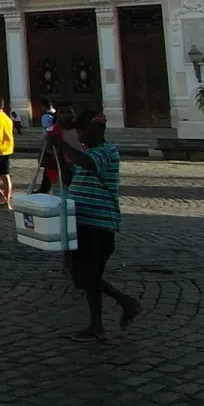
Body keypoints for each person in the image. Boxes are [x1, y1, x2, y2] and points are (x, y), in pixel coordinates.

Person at [55, 116, 141, 340]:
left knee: (89, 275)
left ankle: (125, 303)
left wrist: (62, 144)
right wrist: (55, 158)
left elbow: (89, 164)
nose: (79, 137)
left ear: (95, 129)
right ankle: (97, 326)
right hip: (80, 222)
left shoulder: (106, 152)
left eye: (82, 131)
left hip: (100, 224)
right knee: (80, 276)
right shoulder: (87, 153)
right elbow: (71, 178)